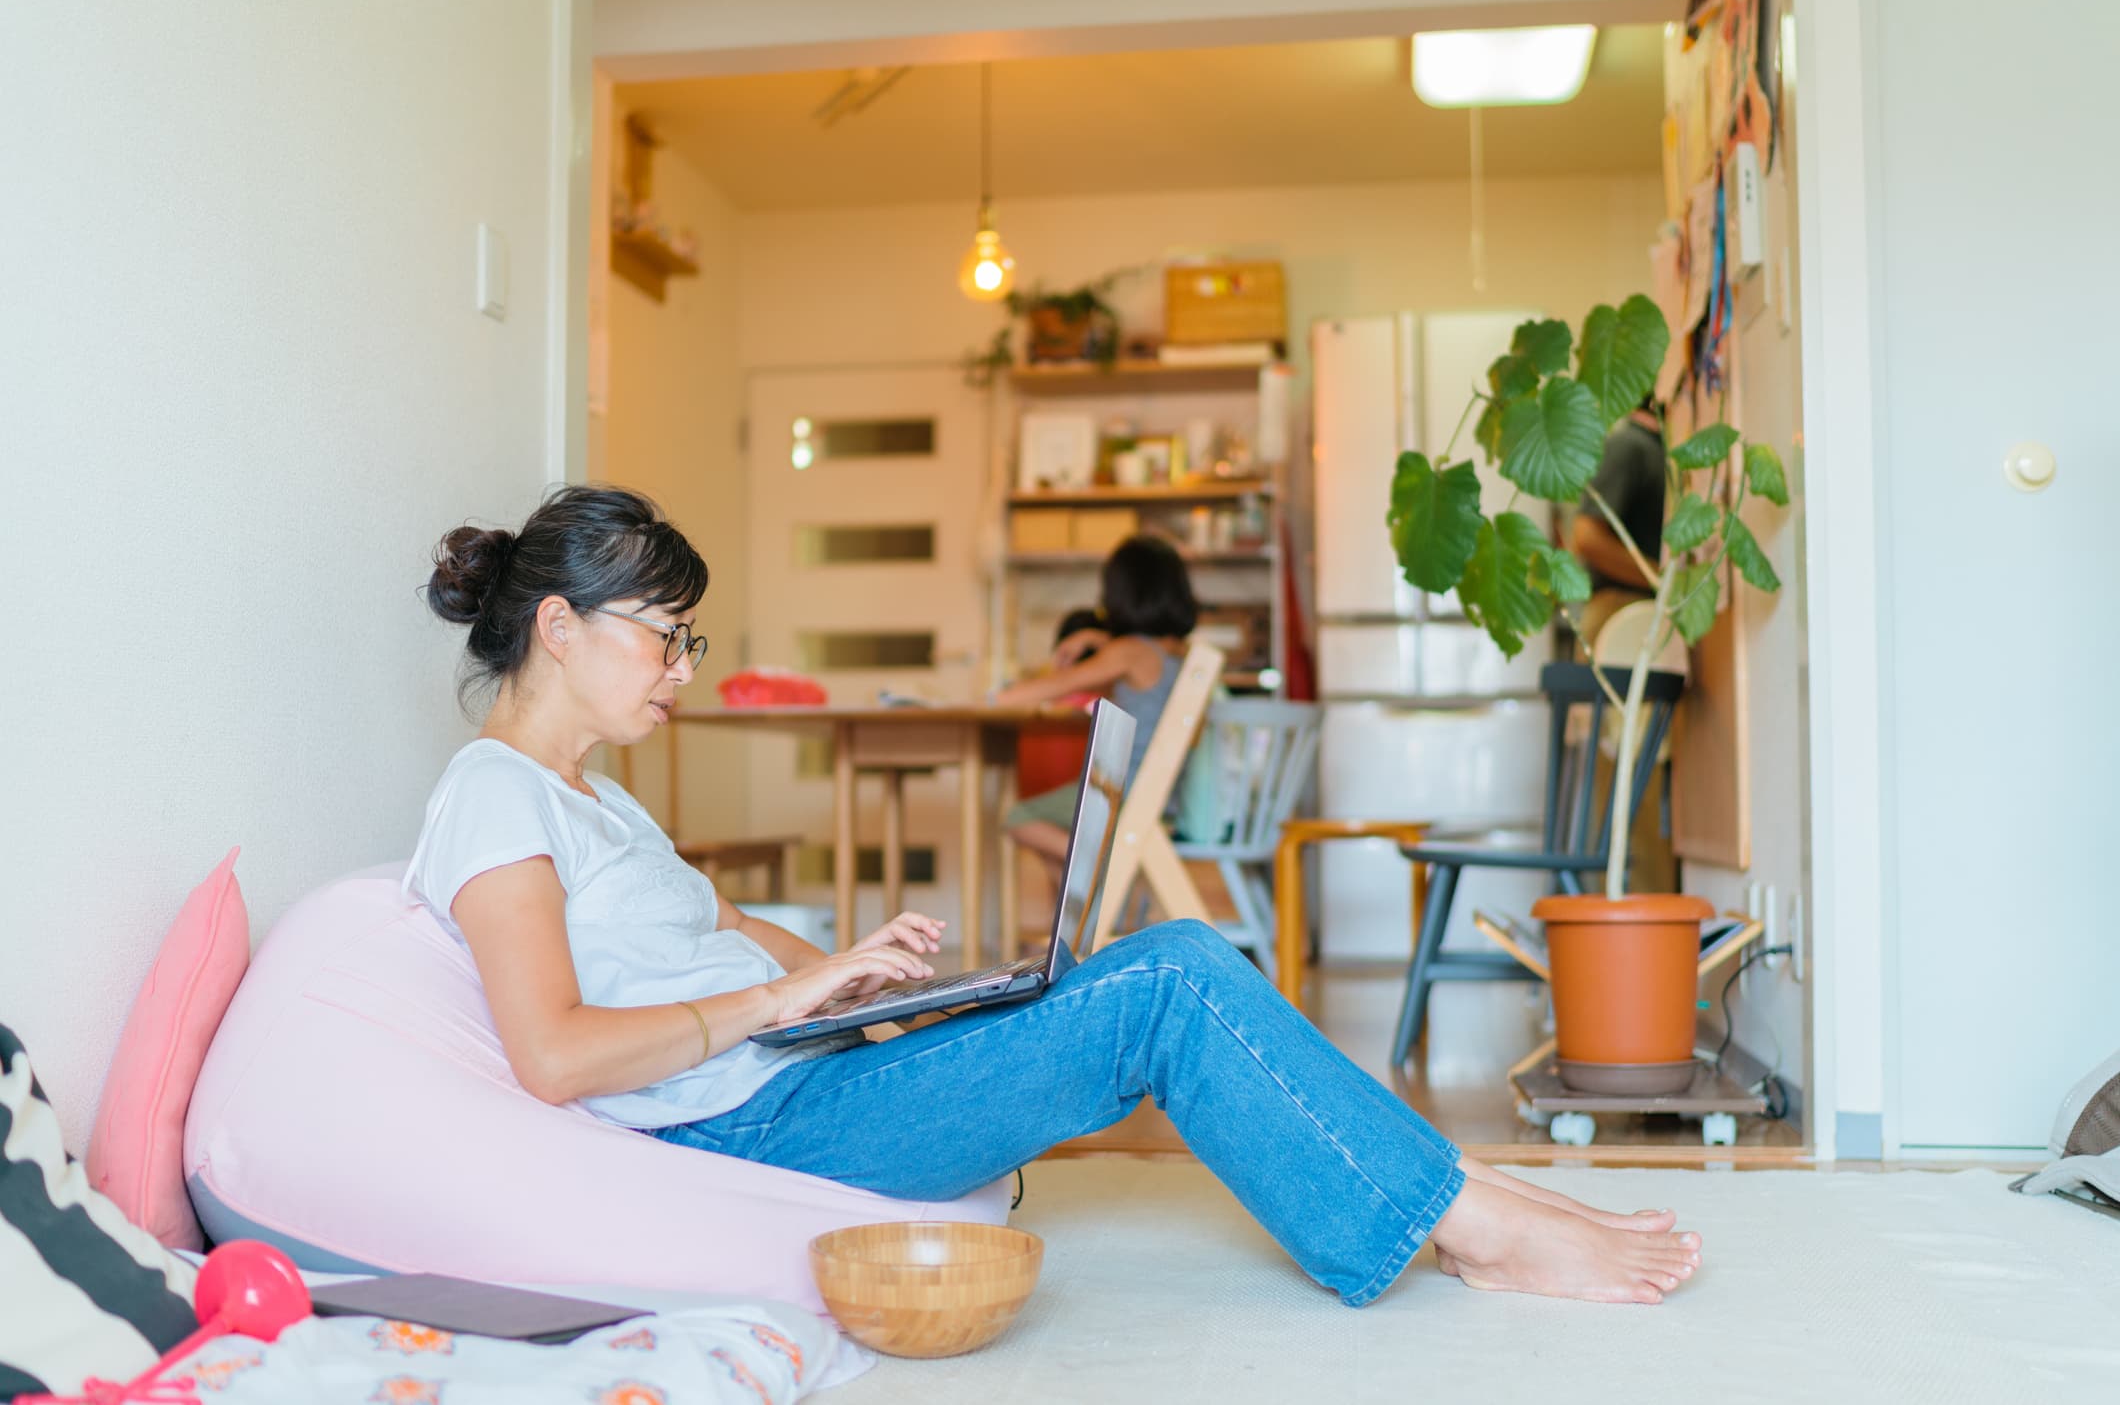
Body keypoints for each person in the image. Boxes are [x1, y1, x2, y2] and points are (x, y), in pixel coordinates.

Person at [404, 484, 1702, 1308]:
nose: (682, 666)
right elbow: (555, 1051)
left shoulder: (596, 798)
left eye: (689, 638)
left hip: (803, 1070)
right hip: (758, 1124)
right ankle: (1471, 1219)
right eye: (662, 632)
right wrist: (775, 997)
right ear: (560, 625)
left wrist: (847, 970)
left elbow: (713, 934)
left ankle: (1459, 1192)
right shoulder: (494, 793)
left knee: (1150, 968)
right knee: (1173, 979)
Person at [990, 537, 1193, 884]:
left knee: (1019, 818)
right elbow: (1137, 659)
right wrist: (1095, 639)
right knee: (1055, 832)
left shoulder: (1128, 651)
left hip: (1123, 796)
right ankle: (1070, 935)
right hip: (1168, 797)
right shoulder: (1180, 653)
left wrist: (1000, 694)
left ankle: (1103, 867)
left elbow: (1055, 686)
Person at [1571, 407, 1667, 646]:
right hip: (1619, 611)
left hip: (1635, 613)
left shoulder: (1651, 448)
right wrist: (1660, 578)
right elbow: (1587, 537)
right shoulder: (1629, 446)